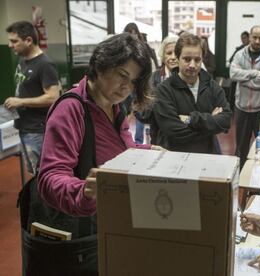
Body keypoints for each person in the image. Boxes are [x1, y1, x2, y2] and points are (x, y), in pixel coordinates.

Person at [36, 33, 161, 275]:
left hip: (111, 222)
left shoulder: (115, 106)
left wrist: (150, 151)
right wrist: (83, 190)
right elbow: (50, 176)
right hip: (81, 235)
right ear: (101, 64)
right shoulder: (70, 109)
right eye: (122, 75)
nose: (126, 87)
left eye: (133, 81)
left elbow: (123, 150)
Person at [153, 33, 231, 153]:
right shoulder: (164, 90)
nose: (192, 65)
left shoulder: (212, 86)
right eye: (187, 59)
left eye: (197, 60)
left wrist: (191, 119)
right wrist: (211, 123)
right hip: (175, 156)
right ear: (178, 58)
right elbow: (174, 131)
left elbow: (225, 120)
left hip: (207, 156)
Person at [4, 21, 61, 174]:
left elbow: (52, 97)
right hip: (23, 126)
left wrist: (20, 101)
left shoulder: (45, 64)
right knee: (33, 172)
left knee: (43, 174)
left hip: (38, 130)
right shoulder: (22, 60)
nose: (10, 45)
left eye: (14, 41)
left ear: (28, 40)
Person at [230, 25, 260, 168]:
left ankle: (258, 176)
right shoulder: (239, 54)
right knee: (241, 148)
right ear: (249, 37)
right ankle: (239, 178)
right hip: (242, 108)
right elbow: (233, 74)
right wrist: (254, 73)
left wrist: (243, 80)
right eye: (254, 37)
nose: (257, 41)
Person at [136, 36, 178, 144]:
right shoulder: (153, 78)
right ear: (163, 57)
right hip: (159, 138)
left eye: (176, 53)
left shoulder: (189, 78)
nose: (173, 57)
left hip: (183, 139)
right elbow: (142, 113)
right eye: (169, 53)